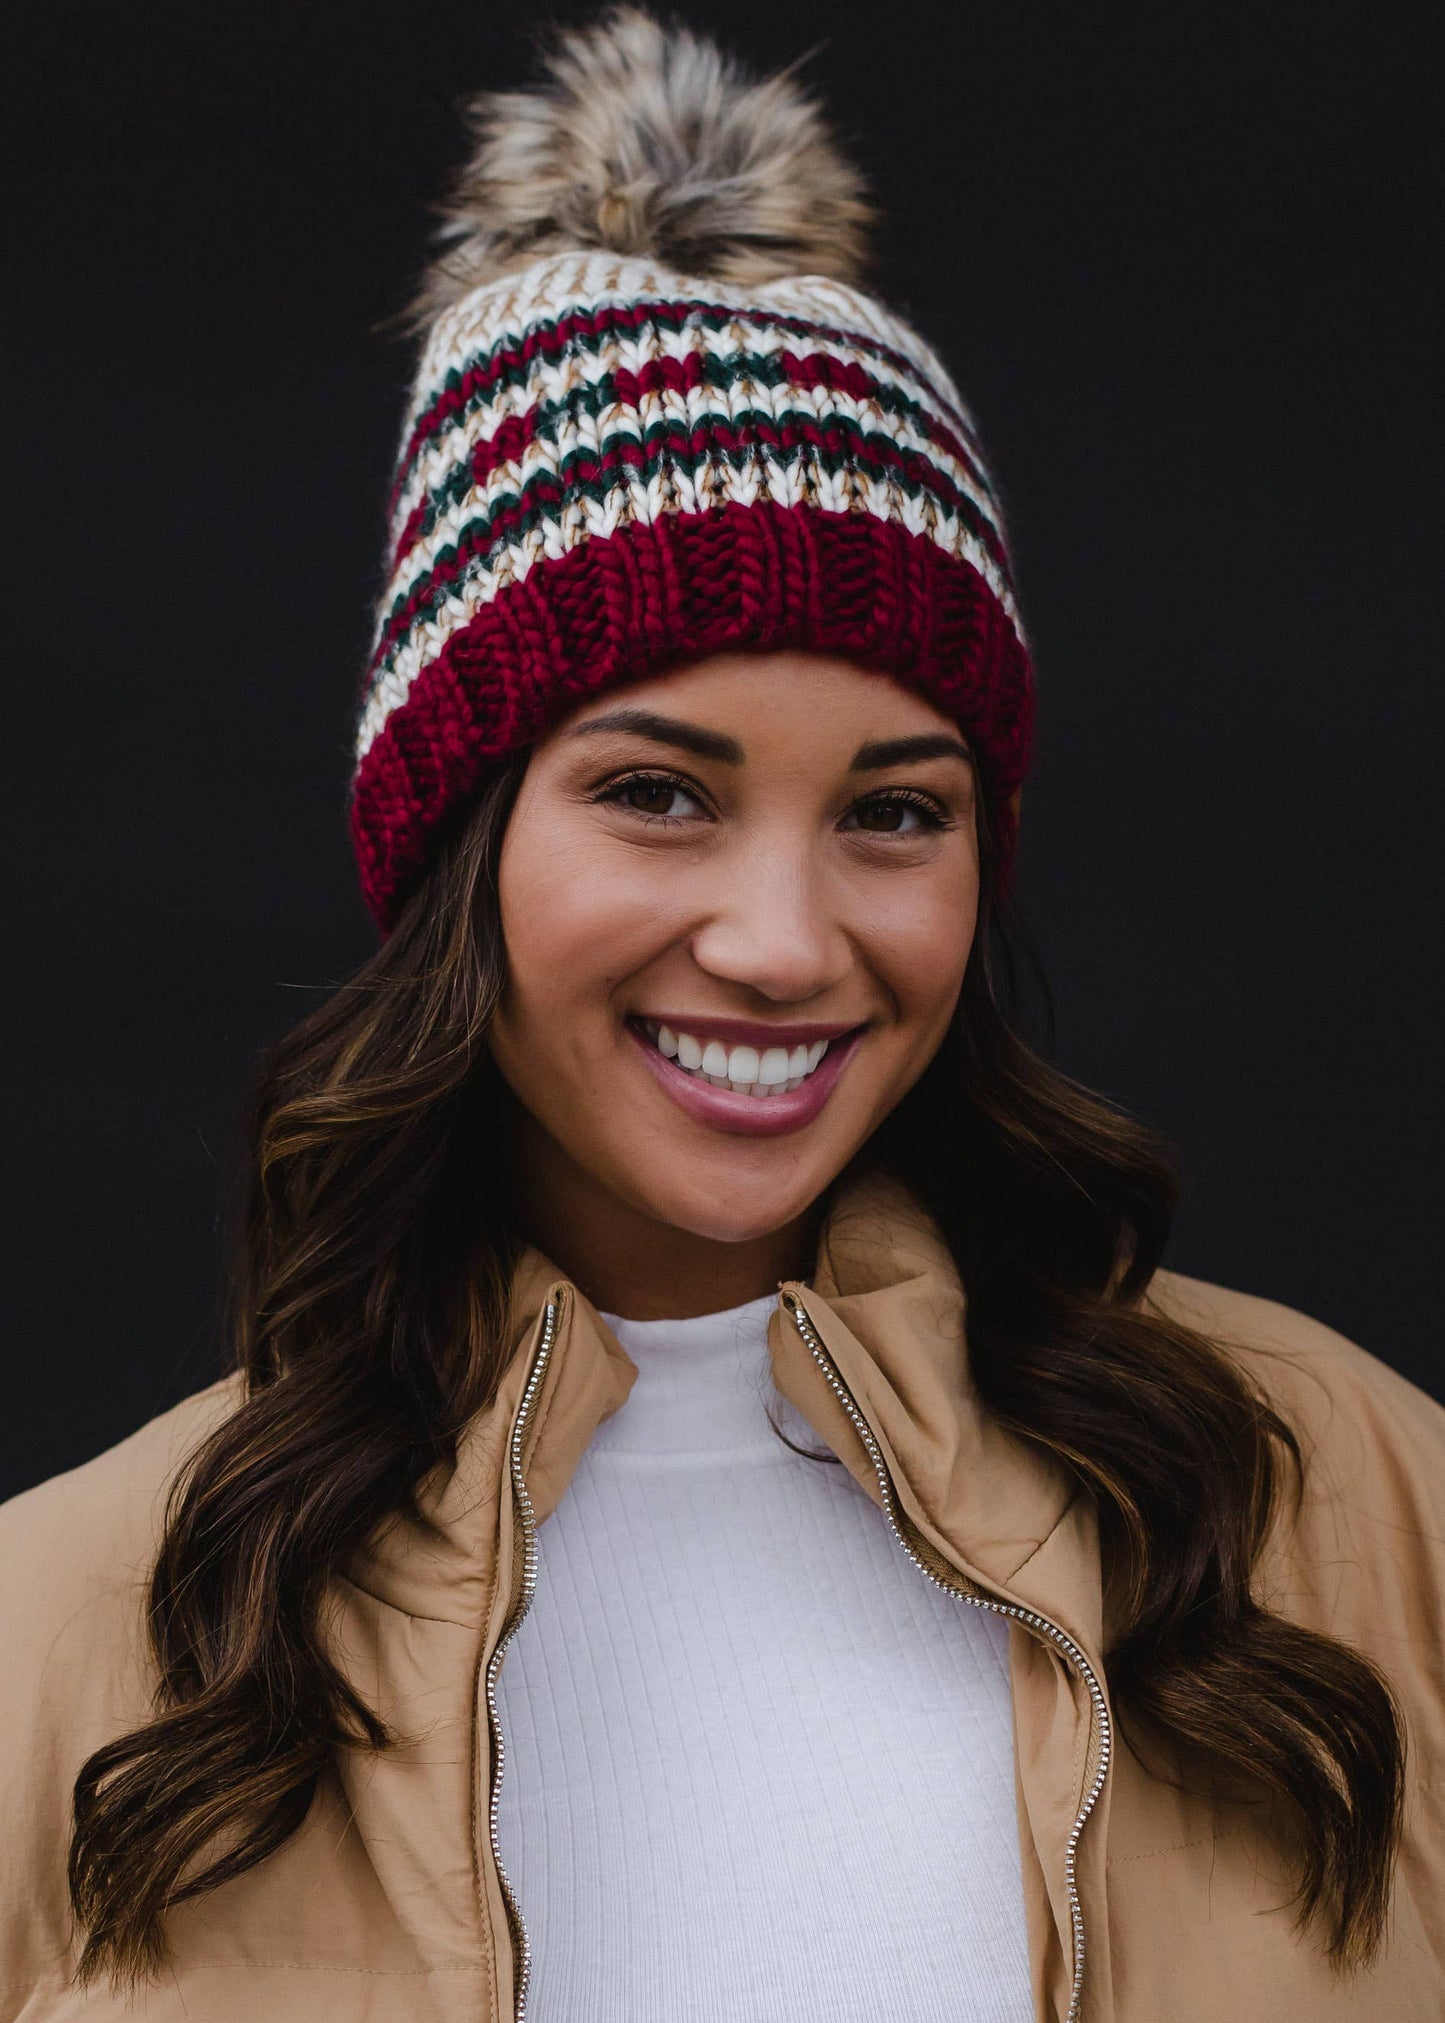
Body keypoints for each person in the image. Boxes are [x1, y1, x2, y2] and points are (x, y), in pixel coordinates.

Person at [3, 11, 1441, 2021]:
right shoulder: (71, 1620)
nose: (782, 940)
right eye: (658, 791)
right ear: (461, 843)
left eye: (895, 811)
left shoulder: (1354, 1499)